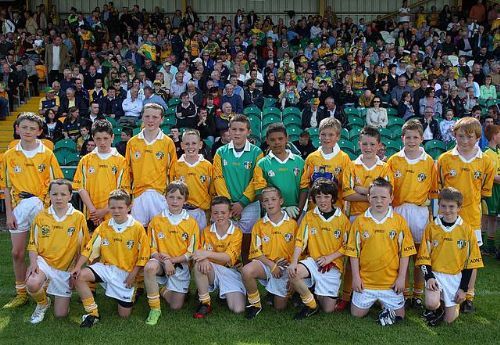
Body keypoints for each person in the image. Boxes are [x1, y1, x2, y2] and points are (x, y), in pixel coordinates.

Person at [0, 113, 63, 309]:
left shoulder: (47, 154)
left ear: (40, 131)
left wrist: (47, 209)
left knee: (44, 252)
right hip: (18, 208)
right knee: (17, 253)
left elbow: (56, 183)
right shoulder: (9, 155)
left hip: (40, 207)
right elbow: (6, 188)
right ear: (17, 128)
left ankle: (44, 288)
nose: (28, 131)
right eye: (24, 127)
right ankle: (21, 293)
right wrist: (9, 214)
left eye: (32, 128)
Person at [437, 117, 494, 313]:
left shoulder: (486, 161)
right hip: (446, 216)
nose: (465, 140)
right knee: (446, 252)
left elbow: (484, 192)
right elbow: (439, 188)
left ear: (478, 137)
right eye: (461, 136)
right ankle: (444, 292)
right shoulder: (444, 159)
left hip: (471, 218)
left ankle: (468, 295)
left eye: (470, 137)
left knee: (471, 259)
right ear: (454, 135)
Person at [71, 189, 150, 327]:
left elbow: (143, 255)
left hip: (126, 274)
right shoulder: (104, 227)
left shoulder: (137, 228)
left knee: (124, 316)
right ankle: (93, 313)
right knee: (78, 276)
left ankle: (130, 291)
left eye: (120, 207)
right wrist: (77, 267)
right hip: (106, 268)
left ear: (129, 207)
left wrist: (133, 274)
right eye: (112, 207)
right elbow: (89, 249)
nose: (116, 211)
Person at [345, 178, 416, 325]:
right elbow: (353, 253)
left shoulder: (399, 221)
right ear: (368, 198)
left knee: (399, 317)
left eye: (383, 197)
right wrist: (356, 278)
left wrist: (401, 278)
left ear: (391, 198)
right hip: (366, 282)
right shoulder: (360, 221)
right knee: (356, 314)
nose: (379, 201)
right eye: (375, 197)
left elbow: (405, 253)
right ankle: (377, 302)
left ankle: (384, 302)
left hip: (390, 283)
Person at [386, 119, 437, 308]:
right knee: (400, 253)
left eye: (416, 137)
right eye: (408, 137)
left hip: (419, 212)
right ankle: (403, 292)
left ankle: (417, 293)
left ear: (422, 139)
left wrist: (432, 215)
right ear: (402, 138)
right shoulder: (394, 160)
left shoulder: (429, 161)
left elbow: (433, 191)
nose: (412, 141)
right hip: (399, 210)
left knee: (418, 254)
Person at [338, 127, 391, 310]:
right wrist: (373, 195)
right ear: (359, 144)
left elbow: (387, 194)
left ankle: (377, 292)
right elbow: (346, 194)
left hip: (378, 218)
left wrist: (361, 189)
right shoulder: (351, 166)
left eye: (372, 144)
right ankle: (346, 296)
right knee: (352, 257)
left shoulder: (385, 167)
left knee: (376, 256)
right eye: (365, 144)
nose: (368, 148)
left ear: (379, 146)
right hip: (355, 217)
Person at [416, 187, 483, 326]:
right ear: (438, 205)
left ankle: (448, 306)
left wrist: (463, 289)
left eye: (451, 206)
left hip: (455, 277)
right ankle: (436, 306)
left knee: (449, 320)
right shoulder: (431, 227)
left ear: (459, 207)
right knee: (431, 303)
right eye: (443, 206)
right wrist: (429, 277)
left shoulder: (467, 230)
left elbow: (470, 263)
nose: (447, 210)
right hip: (436, 274)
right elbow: (423, 257)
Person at [25, 179, 89, 323]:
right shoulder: (41, 216)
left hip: (65, 268)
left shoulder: (78, 217)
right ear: (49, 195)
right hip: (44, 262)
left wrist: (76, 269)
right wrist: (33, 263)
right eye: (54, 194)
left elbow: (84, 247)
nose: (58, 198)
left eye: (63, 194)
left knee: (61, 315)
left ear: (70, 196)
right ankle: (42, 303)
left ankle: (52, 290)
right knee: (32, 283)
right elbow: (33, 243)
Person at [288, 178, 350, 319]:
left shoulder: (342, 219)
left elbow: (348, 246)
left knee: (328, 309)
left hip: (333, 265)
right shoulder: (310, 216)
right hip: (313, 262)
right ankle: (311, 305)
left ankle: (310, 290)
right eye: (319, 196)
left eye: (326, 197)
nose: (322, 200)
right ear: (314, 198)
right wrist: (294, 261)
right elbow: (300, 241)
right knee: (293, 272)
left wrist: (330, 258)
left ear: (333, 198)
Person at [143, 181, 199, 325]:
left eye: (179, 198)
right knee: (149, 267)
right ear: (165, 198)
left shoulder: (191, 223)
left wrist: (173, 261)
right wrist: (166, 261)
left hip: (179, 265)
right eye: (171, 197)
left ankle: (162, 290)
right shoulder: (156, 221)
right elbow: (152, 249)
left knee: (176, 306)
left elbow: (191, 252)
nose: (175, 201)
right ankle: (155, 309)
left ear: (185, 200)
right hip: (161, 263)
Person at [213, 114, 263, 263]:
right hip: (227, 205)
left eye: (241, 129)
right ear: (229, 130)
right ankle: (229, 267)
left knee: (248, 238)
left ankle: (246, 266)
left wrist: (242, 202)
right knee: (227, 237)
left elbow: (257, 180)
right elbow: (218, 178)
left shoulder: (257, 152)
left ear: (248, 131)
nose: (237, 133)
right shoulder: (220, 152)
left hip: (249, 205)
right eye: (234, 129)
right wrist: (228, 204)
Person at [242, 187, 297, 319]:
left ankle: (283, 293)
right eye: (266, 200)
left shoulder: (293, 225)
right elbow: (256, 252)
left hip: (284, 268)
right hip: (266, 265)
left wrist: (293, 278)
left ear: (281, 201)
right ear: (263, 204)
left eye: (273, 199)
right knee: (246, 270)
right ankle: (255, 304)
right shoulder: (259, 225)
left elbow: (298, 252)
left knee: (280, 307)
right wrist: (272, 266)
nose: (270, 203)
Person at [192, 196, 246, 318]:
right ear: (211, 214)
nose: (219, 216)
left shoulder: (237, 232)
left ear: (230, 213)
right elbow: (199, 252)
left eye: (223, 212)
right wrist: (204, 258)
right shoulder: (206, 231)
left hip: (230, 272)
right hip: (212, 270)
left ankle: (224, 293)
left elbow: (228, 257)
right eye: (216, 213)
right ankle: (205, 302)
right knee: (199, 265)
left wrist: (207, 254)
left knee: (238, 309)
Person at [125, 103, 177, 226]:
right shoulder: (132, 142)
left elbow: (173, 171)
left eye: (155, 117)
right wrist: (127, 195)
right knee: (138, 233)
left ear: (162, 119)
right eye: (147, 116)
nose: (150, 120)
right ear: (142, 117)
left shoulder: (167, 143)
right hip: (138, 195)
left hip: (160, 195)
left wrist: (171, 195)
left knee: (160, 233)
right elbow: (127, 171)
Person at [73, 120, 130, 232]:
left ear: (112, 137)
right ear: (93, 138)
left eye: (105, 138)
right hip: (91, 215)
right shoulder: (86, 160)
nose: (102, 142)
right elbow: (81, 187)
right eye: (98, 139)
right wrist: (93, 211)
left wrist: (104, 211)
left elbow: (123, 191)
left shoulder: (121, 161)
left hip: (113, 213)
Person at [298, 117, 352, 212]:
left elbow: (346, 188)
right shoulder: (312, 158)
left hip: (336, 209)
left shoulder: (344, 158)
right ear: (319, 135)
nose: (327, 138)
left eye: (331, 135)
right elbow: (304, 185)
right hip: (314, 210)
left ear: (338, 137)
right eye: (323, 134)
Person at [253, 123, 305, 219]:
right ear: (267, 141)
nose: (277, 142)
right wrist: (281, 210)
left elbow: (304, 188)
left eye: (280, 139)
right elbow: (259, 192)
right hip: (273, 214)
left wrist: (299, 211)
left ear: (287, 138)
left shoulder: (299, 161)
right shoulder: (262, 164)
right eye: (272, 140)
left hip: (296, 212)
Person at [169, 129, 213, 231]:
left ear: (200, 145)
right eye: (187, 144)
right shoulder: (176, 165)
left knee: (200, 243)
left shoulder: (207, 166)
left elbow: (212, 190)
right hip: (181, 211)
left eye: (194, 143)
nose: (190, 147)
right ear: (182, 145)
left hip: (201, 211)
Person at [481, 124, 499, 256]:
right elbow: (490, 176)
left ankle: (491, 245)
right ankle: (480, 245)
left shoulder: (498, 151)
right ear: (494, 136)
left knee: (493, 218)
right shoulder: (487, 153)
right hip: (491, 189)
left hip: (498, 189)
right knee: (486, 217)